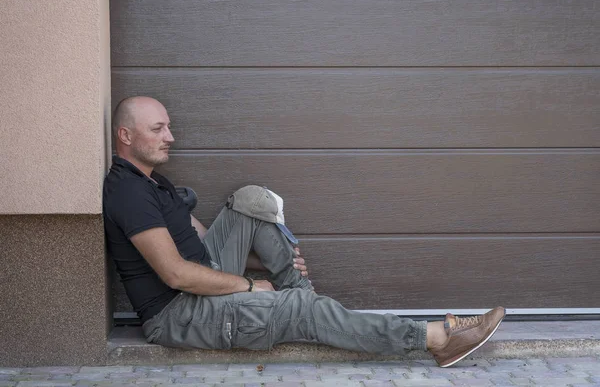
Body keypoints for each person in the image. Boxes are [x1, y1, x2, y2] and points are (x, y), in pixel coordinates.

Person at [103, 96, 506, 368]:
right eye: (158, 129)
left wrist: (258, 262)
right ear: (126, 135)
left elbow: (199, 239)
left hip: (199, 281)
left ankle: (308, 306)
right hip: (178, 314)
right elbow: (175, 273)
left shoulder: (154, 182)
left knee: (249, 201)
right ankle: (435, 339)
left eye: (168, 128)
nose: (170, 137)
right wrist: (248, 286)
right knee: (301, 310)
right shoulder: (128, 191)